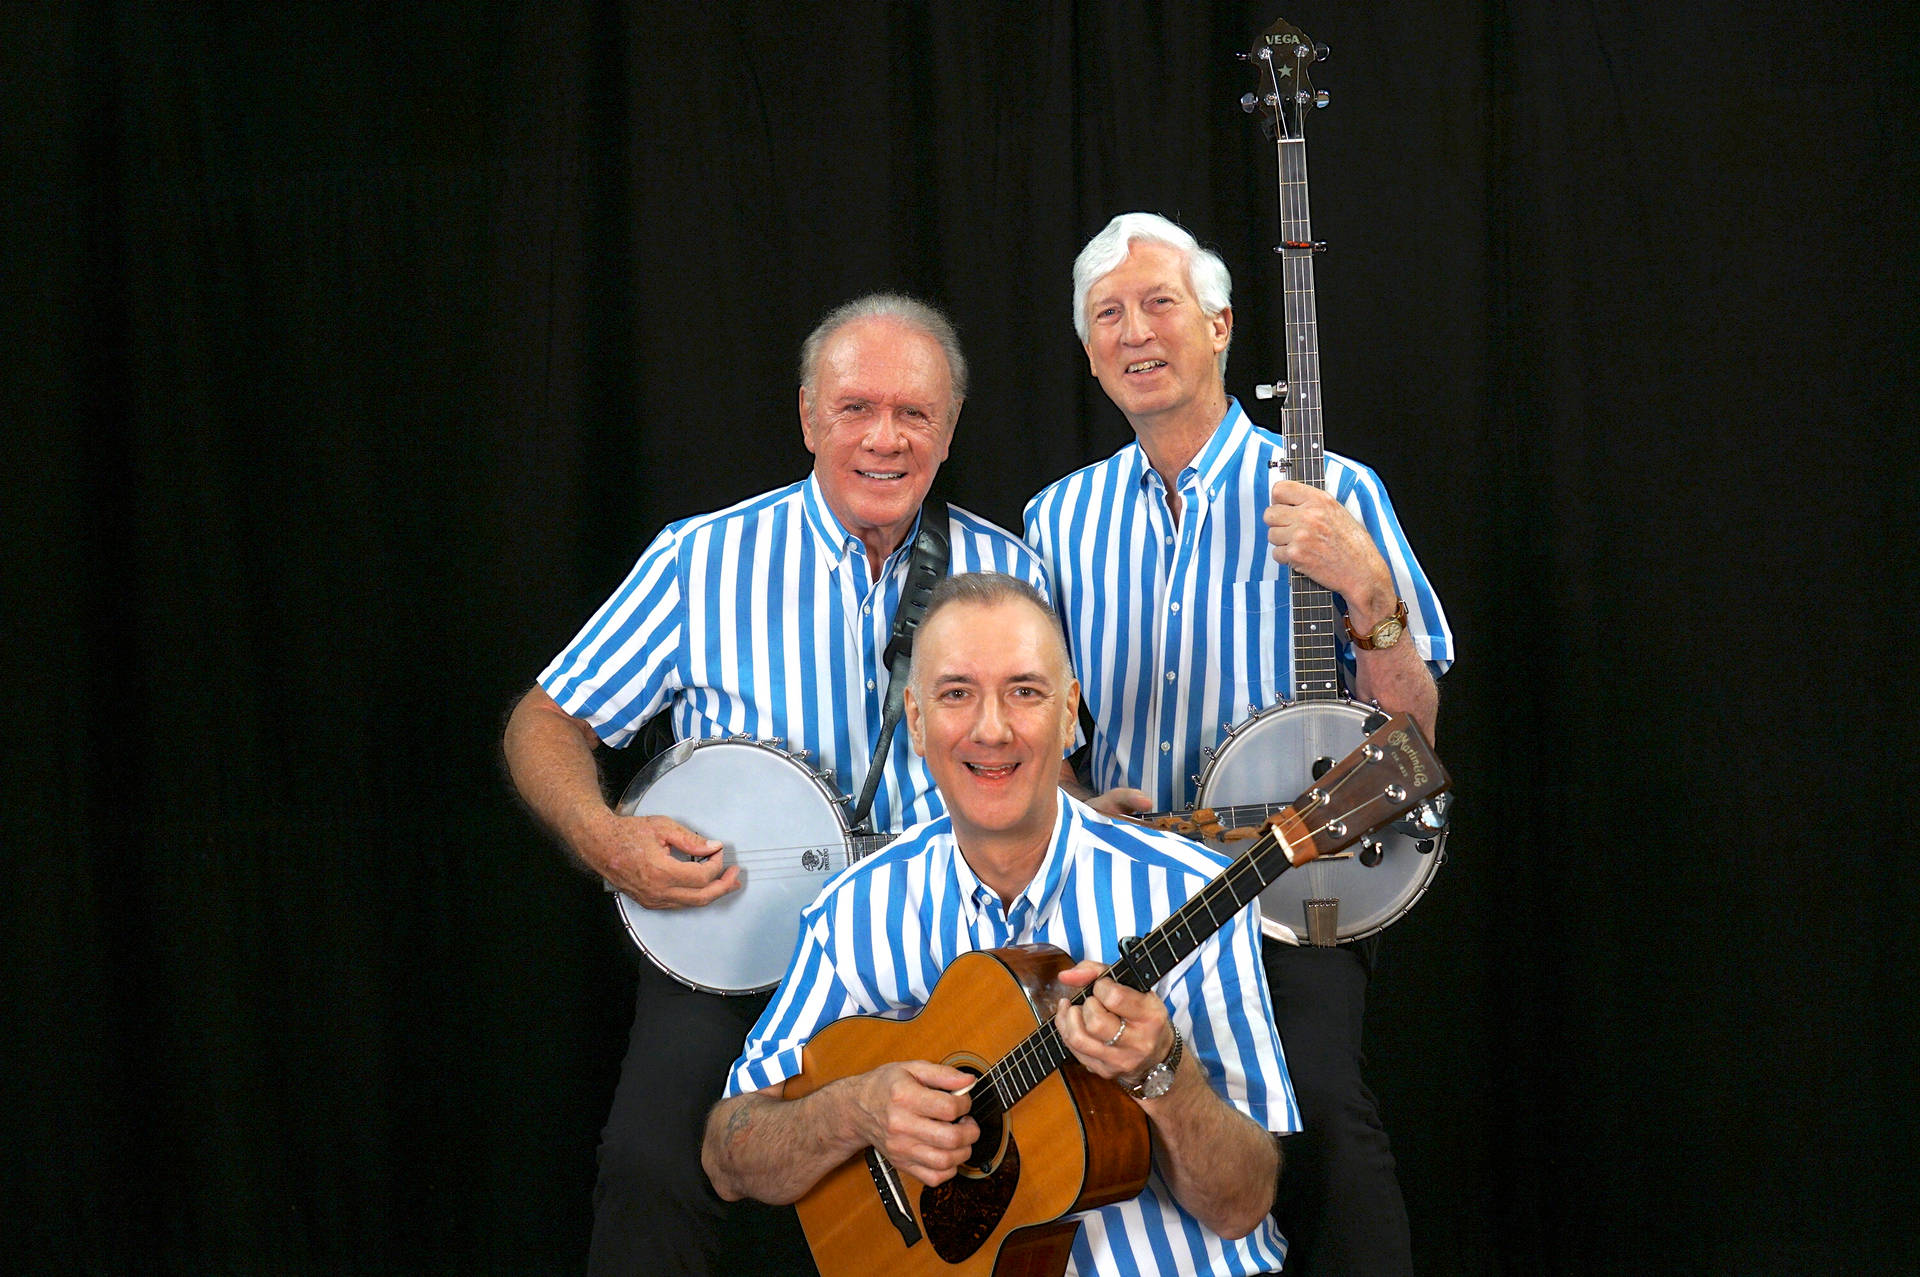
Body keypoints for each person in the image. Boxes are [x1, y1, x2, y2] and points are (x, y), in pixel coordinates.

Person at [502, 295, 1052, 1277]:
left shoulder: (1008, 575)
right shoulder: (700, 559)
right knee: (648, 1163)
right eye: (855, 408)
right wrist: (604, 836)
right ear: (808, 417)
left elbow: (1037, 775)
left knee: (1025, 1171)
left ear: (950, 427)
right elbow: (544, 721)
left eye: (913, 414)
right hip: (732, 958)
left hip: (933, 954)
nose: (884, 438)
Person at [1023, 213, 1453, 1276]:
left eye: (1160, 303)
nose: (1136, 331)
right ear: (1089, 354)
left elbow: (1412, 742)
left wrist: (1369, 589)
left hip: (1286, 884)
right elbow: (1039, 728)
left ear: (1218, 326)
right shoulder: (1058, 519)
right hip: (1132, 892)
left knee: (1318, 1131)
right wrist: (1078, 803)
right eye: (1108, 315)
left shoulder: (1333, 490)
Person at [702, 572, 1298, 1276]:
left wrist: (1161, 1070)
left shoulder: (1188, 891)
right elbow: (728, 1153)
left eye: (1025, 690)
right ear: (917, 723)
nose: (991, 728)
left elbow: (1243, 1202)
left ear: (1070, 714)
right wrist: (856, 1110)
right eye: (957, 693)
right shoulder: (855, 910)